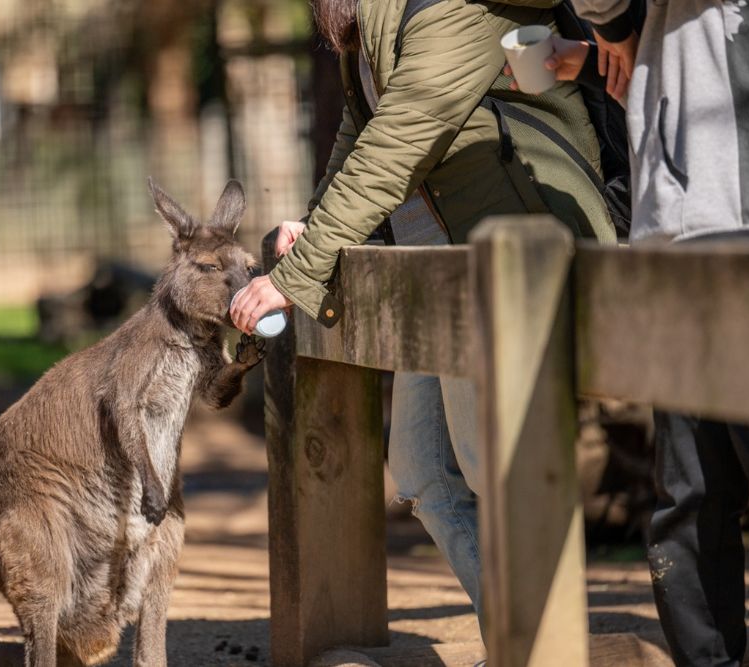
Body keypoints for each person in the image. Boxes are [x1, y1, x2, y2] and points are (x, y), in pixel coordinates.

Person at [231, 0, 616, 636]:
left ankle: (545, 644)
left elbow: (397, 146)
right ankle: (517, 639)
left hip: (495, 254)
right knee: (425, 473)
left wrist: (294, 277)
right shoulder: (373, 24)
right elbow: (361, 134)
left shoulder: (450, 9)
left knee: (488, 467)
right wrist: (314, 221)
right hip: (431, 261)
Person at [550, 2, 749, 663]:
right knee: (696, 488)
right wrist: (604, 54)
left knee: (714, 485)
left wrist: (614, 30)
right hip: (704, 215)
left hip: (728, 216)